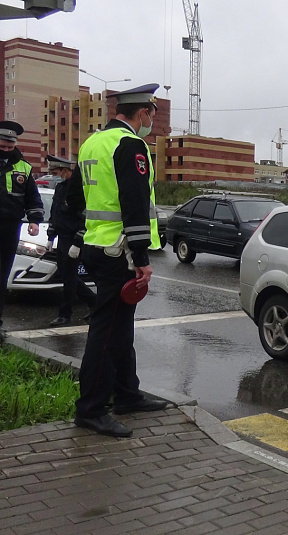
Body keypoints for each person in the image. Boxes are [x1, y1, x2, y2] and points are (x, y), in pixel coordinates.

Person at [73, 84, 170, 438]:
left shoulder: (91, 143)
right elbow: (133, 203)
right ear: (141, 112)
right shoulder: (131, 145)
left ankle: (127, 394)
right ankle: (90, 409)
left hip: (98, 247)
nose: (152, 123)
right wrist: (141, 256)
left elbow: (73, 196)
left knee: (119, 327)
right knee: (106, 331)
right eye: (152, 115)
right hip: (120, 252)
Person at [0, 120, 44, 340]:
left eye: (9, 146)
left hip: (9, 226)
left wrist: (35, 219)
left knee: (2, 276)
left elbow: (32, 198)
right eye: (2, 146)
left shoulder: (24, 167)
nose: (6, 150)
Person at [45, 155, 97, 327]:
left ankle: (65, 314)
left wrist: (77, 242)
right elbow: (55, 213)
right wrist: (50, 236)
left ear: (66, 170)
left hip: (73, 239)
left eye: (56, 172)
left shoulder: (78, 190)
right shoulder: (60, 189)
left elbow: (84, 218)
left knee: (69, 278)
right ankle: (95, 303)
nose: (54, 175)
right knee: (68, 275)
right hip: (62, 238)